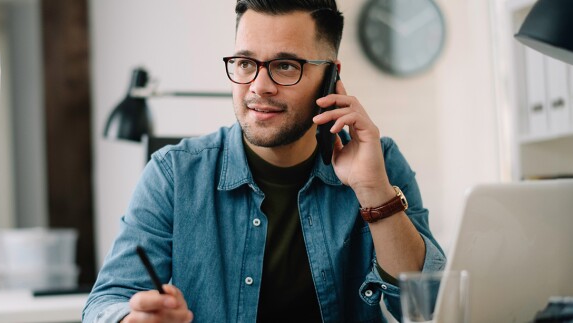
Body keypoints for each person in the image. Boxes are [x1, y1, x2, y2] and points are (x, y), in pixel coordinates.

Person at [82, 0, 445, 322]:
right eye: (244, 63)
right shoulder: (173, 174)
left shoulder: (379, 162)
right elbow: (105, 302)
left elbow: (427, 308)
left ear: (331, 76)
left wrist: (373, 190)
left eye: (285, 66)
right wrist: (133, 319)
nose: (258, 86)